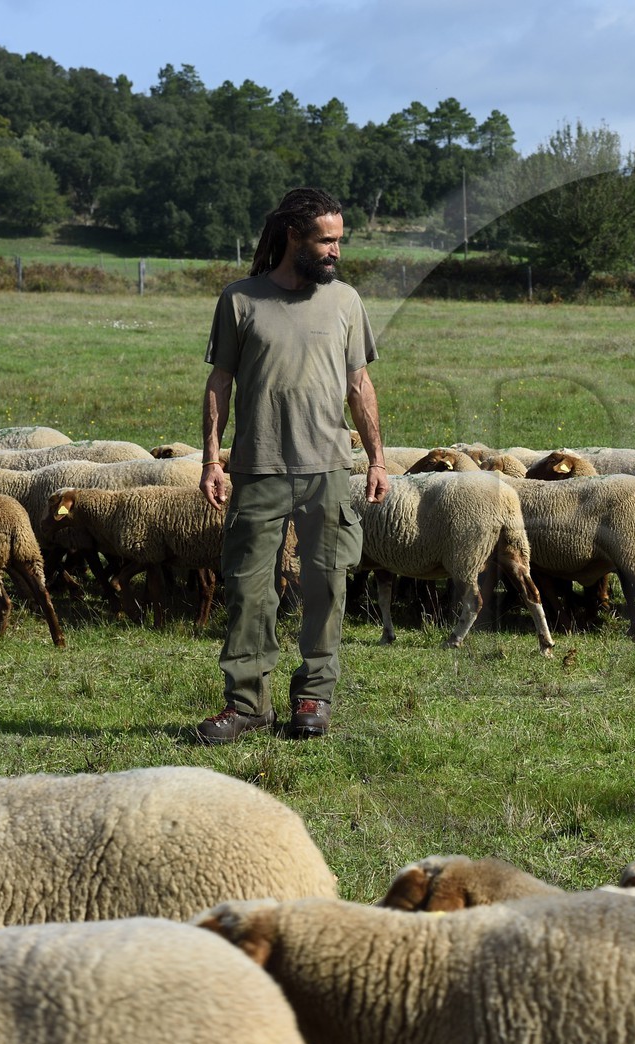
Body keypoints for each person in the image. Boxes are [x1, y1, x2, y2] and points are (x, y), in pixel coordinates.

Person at [194, 187, 387, 744]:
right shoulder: (239, 300)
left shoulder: (346, 302)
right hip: (257, 468)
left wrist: (375, 458)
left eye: (339, 242)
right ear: (293, 238)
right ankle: (248, 703)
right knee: (250, 590)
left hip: (328, 467)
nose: (336, 252)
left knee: (327, 584)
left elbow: (360, 385)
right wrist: (212, 457)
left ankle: (314, 697)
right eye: (326, 241)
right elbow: (219, 383)